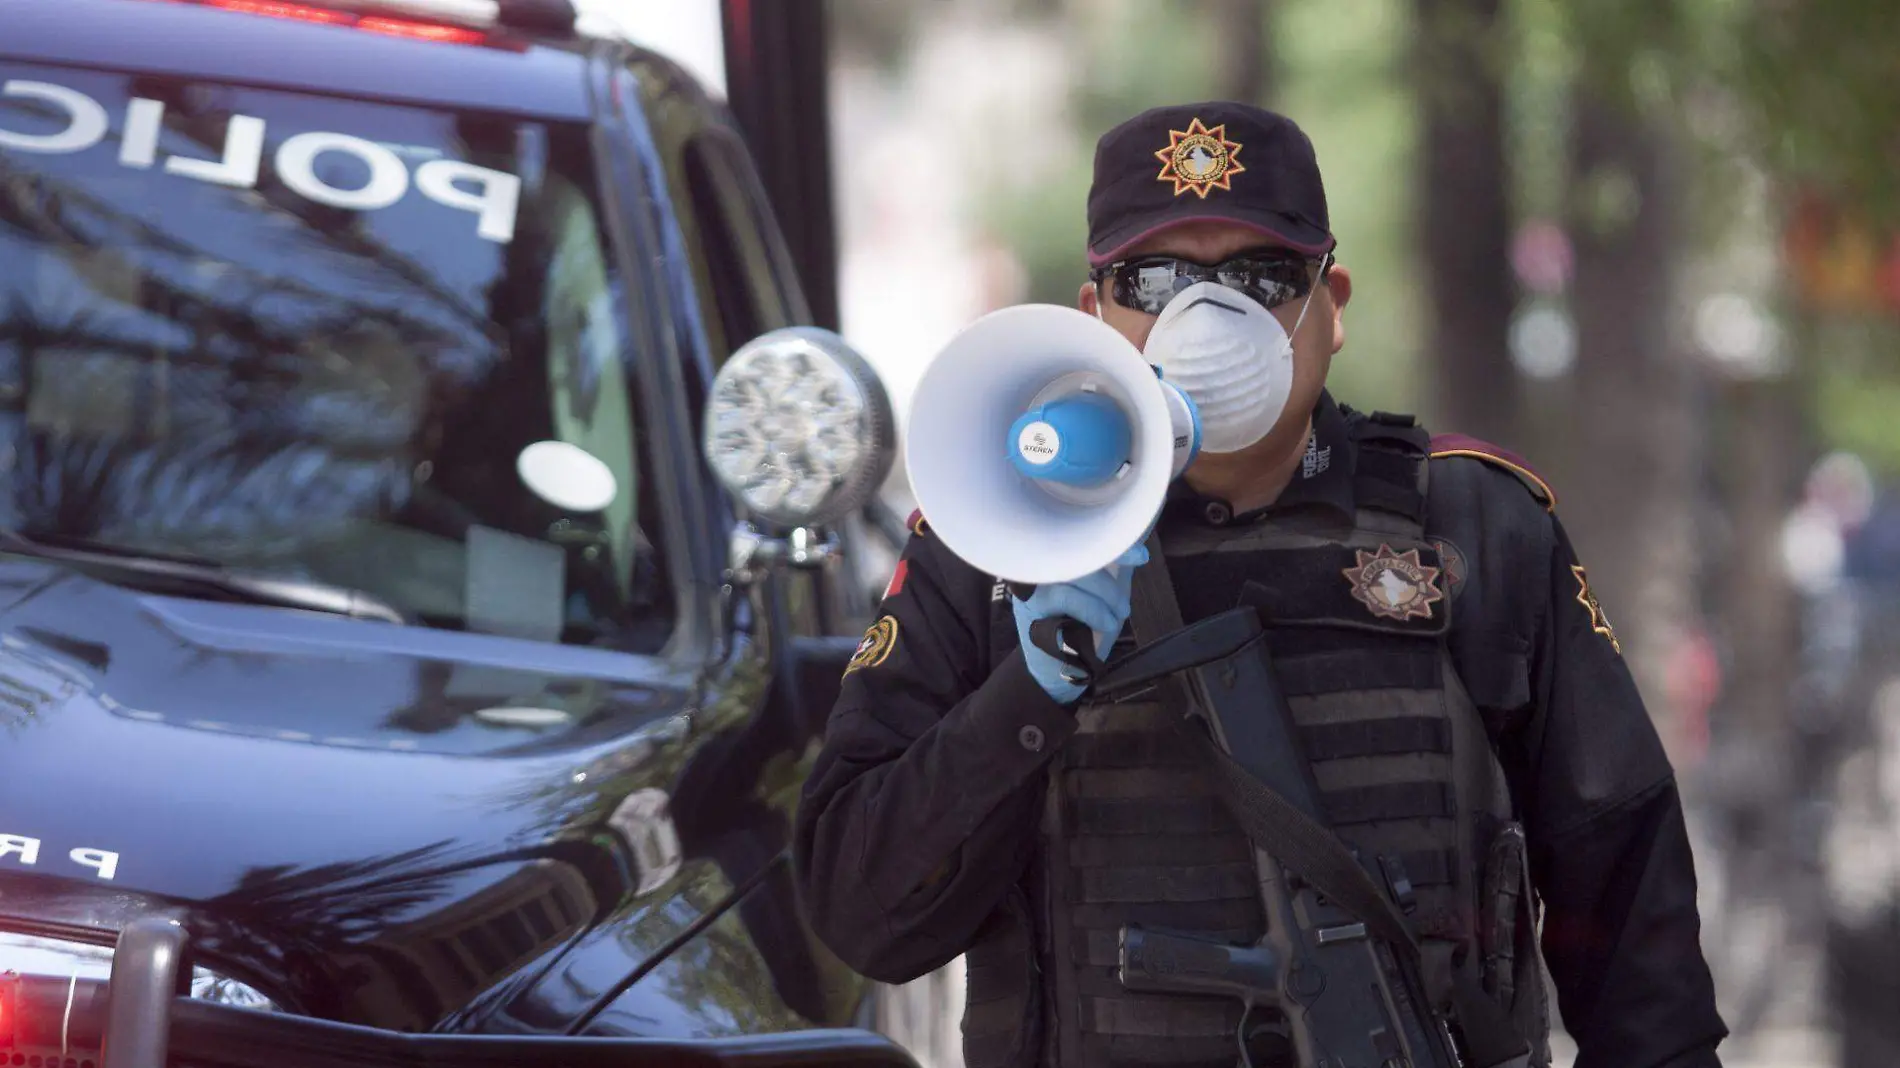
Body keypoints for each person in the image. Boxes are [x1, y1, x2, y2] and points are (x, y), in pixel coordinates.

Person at [793, 101, 1726, 1068]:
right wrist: (1024, 701)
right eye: (1154, 279)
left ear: (1332, 305)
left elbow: (1621, 881)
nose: (1205, 316)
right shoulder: (988, 546)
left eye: (1260, 275)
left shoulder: (1473, 524)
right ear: (1094, 313)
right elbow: (862, 919)